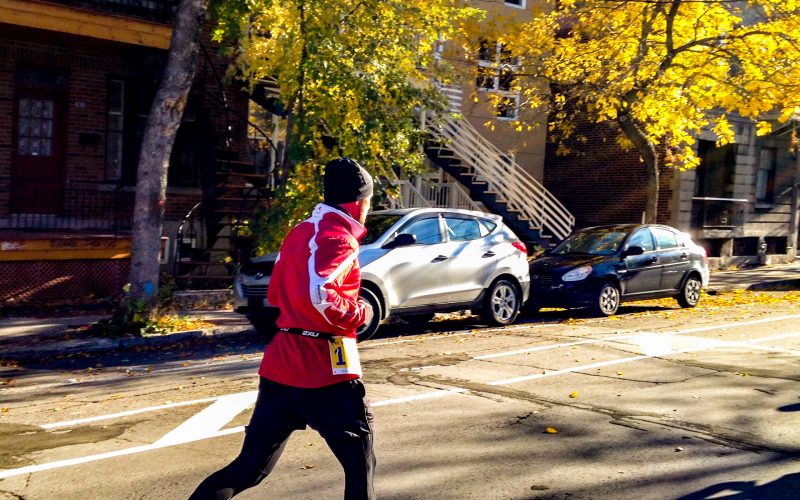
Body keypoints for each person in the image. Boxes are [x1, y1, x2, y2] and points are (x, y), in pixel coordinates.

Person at [190, 158, 376, 500]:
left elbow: (276, 293)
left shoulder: (300, 231)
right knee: (359, 467)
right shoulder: (339, 238)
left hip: (282, 362)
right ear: (358, 202)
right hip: (324, 368)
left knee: (249, 469)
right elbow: (319, 291)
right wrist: (358, 313)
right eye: (369, 200)